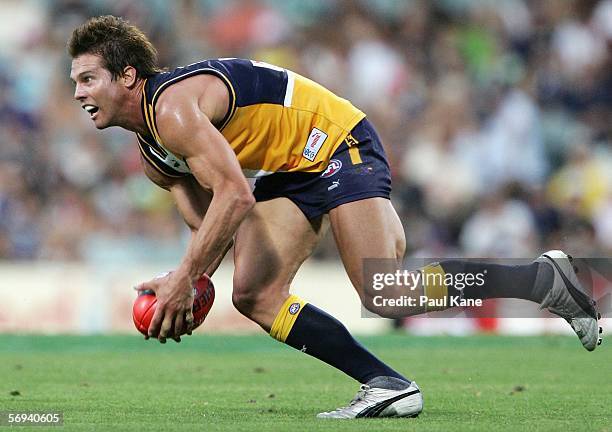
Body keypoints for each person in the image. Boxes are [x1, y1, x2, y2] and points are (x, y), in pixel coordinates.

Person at [68, 15, 601, 419]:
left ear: (128, 75)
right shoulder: (153, 153)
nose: (78, 94)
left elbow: (234, 195)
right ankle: (387, 384)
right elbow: (209, 224)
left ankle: (543, 279)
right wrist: (190, 283)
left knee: (386, 292)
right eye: (76, 82)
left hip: (338, 142)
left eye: (89, 79)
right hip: (289, 168)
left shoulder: (173, 109)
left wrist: (184, 278)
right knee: (253, 292)